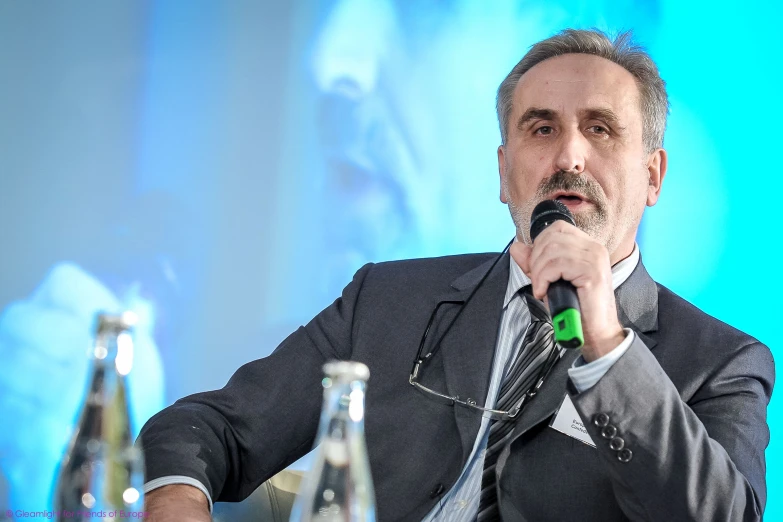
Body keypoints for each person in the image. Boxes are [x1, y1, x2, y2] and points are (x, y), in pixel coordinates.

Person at [139, 28, 774, 521]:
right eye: (541, 128)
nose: (569, 155)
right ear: (504, 171)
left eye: (601, 129)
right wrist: (177, 499)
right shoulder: (385, 302)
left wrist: (608, 346)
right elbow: (211, 428)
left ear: (653, 176)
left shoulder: (718, 362)